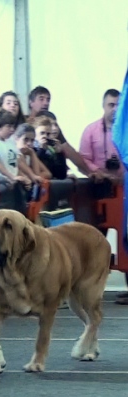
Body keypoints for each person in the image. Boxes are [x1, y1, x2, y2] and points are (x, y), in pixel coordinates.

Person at [79, 89, 128, 304]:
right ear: (103, 106)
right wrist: (95, 172)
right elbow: (84, 158)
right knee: (94, 242)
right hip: (98, 191)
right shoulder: (91, 131)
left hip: (123, 190)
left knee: (126, 241)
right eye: (111, 105)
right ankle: (88, 289)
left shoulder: (124, 133)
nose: (115, 109)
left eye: (118, 104)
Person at [27, 86, 90, 175]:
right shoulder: (24, 124)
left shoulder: (52, 124)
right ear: (31, 102)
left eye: (48, 100)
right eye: (41, 99)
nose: (46, 103)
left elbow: (68, 150)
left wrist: (89, 172)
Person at [0, 109, 31, 189]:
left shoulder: (10, 142)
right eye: (9, 126)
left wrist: (23, 177)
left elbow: (15, 163)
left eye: (13, 126)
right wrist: (11, 177)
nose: (12, 129)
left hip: (13, 183)